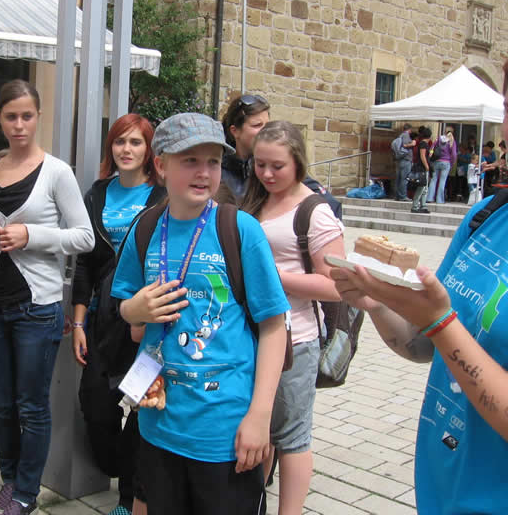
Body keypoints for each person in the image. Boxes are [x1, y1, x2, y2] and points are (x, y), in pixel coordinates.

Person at [326, 58, 508, 515]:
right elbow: (423, 345)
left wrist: (441, 321)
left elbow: (441, 327)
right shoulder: (486, 215)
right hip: (439, 492)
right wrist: (375, 301)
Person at [111, 112, 289, 515]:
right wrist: (133, 310)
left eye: (213, 161)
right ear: (161, 165)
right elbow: (129, 314)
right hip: (158, 426)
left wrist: (260, 416)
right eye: (190, 160)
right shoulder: (146, 228)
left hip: (225, 430)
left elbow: (274, 328)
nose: (204, 172)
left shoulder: (240, 230)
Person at [0, 80, 94, 515]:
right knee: (0, 404)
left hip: (35, 308)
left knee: (31, 405)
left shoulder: (57, 172)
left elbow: (84, 237)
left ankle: (26, 490)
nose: (19, 125)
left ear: (38, 117)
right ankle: (9, 478)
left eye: (27, 116)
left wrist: (31, 235)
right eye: (11, 116)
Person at [238, 121, 345, 515]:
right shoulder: (256, 199)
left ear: (298, 162)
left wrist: (272, 277)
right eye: (260, 164)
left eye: (277, 166)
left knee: (292, 438)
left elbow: (336, 286)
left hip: (295, 341)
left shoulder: (315, 211)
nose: (267, 174)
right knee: (261, 430)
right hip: (252, 337)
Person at [71, 113, 166, 515]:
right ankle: (116, 466)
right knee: (95, 402)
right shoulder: (97, 194)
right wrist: (78, 321)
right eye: (120, 141)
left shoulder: (162, 197)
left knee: (143, 405)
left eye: (136, 142)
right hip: (102, 320)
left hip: (145, 320)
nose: (126, 149)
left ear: (149, 150)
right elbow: (85, 262)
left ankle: (129, 497)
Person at [217, 94, 270, 203]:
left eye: (267, 125)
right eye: (257, 125)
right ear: (235, 131)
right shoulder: (217, 171)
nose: (266, 131)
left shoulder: (273, 166)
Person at [427, 128, 457, 204]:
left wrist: (430, 159)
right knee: (442, 181)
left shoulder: (438, 139)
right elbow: (454, 154)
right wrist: (452, 163)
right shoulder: (452, 141)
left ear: (444, 132)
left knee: (433, 180)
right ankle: (439, 200)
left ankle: (430, 198)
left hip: (436, 161)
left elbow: (431, 148)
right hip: (446, 162)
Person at [411, 127, 432, 214]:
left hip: (423, 168)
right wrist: (427, 166)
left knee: (425, 188)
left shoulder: (423, 144)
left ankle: (423, 205)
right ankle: (415, 206)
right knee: (421, 188)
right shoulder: (423, 144)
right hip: (422, 168)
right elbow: (422, 156)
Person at [393, 123, 414, 201]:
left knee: (399, 178)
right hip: (405, 159)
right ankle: (403, 196)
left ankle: (397, 195)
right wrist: (412, 143)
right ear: (410, 129)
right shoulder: (406, 135)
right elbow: (405, 145)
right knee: (404, 179)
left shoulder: (401, 135)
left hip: (400, 159)